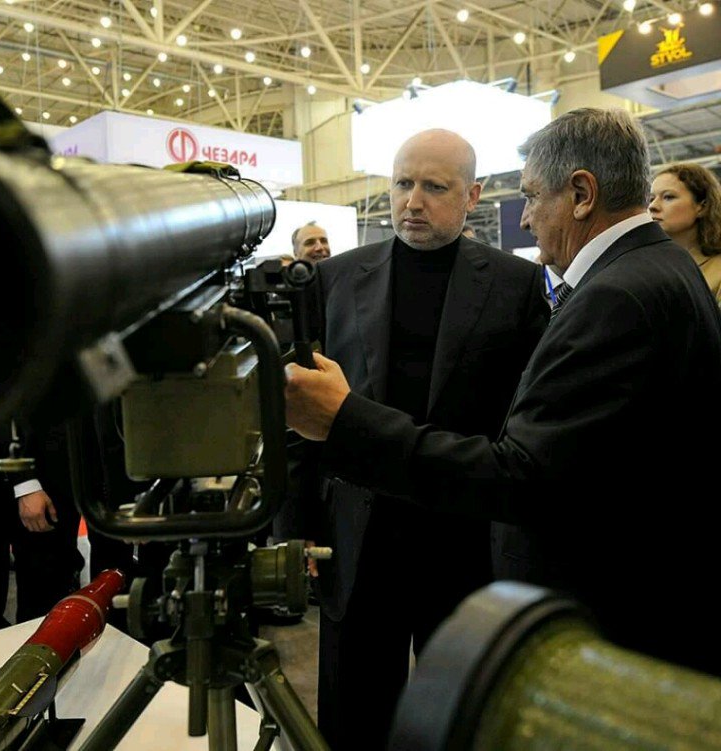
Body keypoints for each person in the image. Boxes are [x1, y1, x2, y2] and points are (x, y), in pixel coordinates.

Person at [285, 108, 721, 685]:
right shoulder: (660, 268)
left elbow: (524, 472)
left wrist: (345, 420)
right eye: (402, 183)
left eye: (532, 197)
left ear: (582, 195)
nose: (525, 219)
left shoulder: (613, 295)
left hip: (602, 609)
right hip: (373, 545)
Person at [291, 128, 549, 750]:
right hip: (358, 535)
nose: (413, 201)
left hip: (462, 536)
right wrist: (294, 527)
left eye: (434, 187)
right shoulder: (337, 278)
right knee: (354, 714)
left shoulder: (516, 285)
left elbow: (522, 420)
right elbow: (301, 412)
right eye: (403, 183)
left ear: (472, 196)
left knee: (460, 714)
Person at [0, 419, 84, 637]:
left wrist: (25, 480)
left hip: (45, 460)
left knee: (45, 595)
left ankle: (40, 651)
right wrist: (25, 481)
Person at [649, 162, 721, 305]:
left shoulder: (717, 271)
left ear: (702, 206)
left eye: (668, 197)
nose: (652, 206)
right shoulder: (649, 267)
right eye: (651, 199)